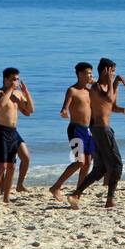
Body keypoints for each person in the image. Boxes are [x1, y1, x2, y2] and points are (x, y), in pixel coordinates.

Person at [67, 58, 125, 209]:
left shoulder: (105, 86)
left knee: (100, 168)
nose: (114, 74)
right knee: (117, 165)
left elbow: (111, 104)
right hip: (101, 130)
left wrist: (116, 86)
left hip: (100, 129)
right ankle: (110, 199)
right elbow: (107, 97)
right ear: (105, 71)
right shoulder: (95, 88)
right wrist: (111, 82)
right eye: (112, 71)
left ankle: (76, 194)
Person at [49, 62, 95, 201]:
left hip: (88, 130)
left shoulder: (89, 91)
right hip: (75, 129)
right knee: (80, 162)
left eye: (92, 73)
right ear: (80, 74)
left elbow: (103, 88)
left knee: (87, 163)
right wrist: (63, 112)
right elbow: (65, 107)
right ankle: (56, 187)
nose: (91, 75)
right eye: (88, 73)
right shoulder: (72, 90)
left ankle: (78, 193)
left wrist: (95, 81)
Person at [0, 67, 34, 205]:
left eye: (17, 79)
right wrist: (10, 90)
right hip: (1, 131)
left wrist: (25, 92)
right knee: (2, 167)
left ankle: (8, 195)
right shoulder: (0, 92)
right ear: (6, 79)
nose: (16, 81)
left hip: (14, 132)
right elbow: (0, 105)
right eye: (13, 79)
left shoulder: (18, 94)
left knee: (18, 163)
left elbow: (29, 111)